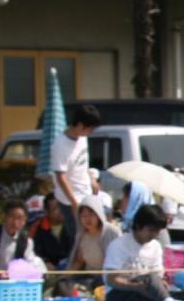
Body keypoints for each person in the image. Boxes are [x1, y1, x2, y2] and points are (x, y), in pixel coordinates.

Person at [103, 204, 184, 301]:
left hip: (146, 290)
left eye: (157, 231)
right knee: (150, 280)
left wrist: (161, 284)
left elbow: (157, 276)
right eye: (151, 230)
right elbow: (111, 279)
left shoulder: (155, 246)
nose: (154, 234)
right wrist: (135, 286)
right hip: (120, 292)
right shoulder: (118, 245)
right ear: (138, 225)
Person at [50, 104, 102, 247]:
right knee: (79, 238)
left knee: (92, 233)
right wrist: (74, 203)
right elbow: (61, 176)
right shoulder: (60, 144)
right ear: (79, 125)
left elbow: (83, 162)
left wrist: (91, 179)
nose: (90, 132)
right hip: (69, 199)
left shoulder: (82, 138)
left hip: (85, 193)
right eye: (90, 129)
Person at [66, 194, 119, 290]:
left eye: (91, 214)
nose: (87, 219)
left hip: (107, 278)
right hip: (88, 277)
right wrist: (64, 277)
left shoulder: (110, 232)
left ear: (98, 214)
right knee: (65, 285)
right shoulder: (81, 235)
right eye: (83, 216)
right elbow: (78, 261)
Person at [31, 194, 73, 269]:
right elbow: (37, 251)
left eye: (62, 206)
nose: (60, 210)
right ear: (47, 212)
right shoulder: (40, 228)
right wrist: (46, 262)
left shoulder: (72, 225)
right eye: (55, 208)